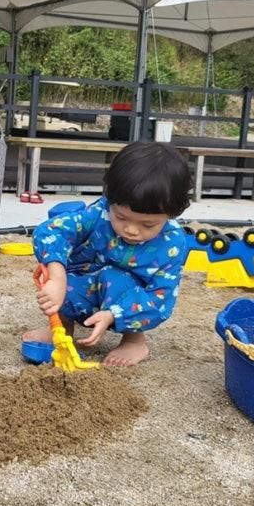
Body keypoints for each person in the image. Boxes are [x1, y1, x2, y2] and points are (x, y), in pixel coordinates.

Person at [28, 141, 191, 366]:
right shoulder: (99, 213)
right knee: (62, 282)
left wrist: (114, 314)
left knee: (116, 277)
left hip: (130, 299)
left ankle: (134, 341)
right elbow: (51, 231)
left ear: (172, 213)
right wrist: (57, 276)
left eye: (148, 224)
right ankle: (62, 328)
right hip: (86, 282)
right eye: (121, 217)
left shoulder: (172, 244)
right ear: (110, 200)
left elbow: (160, 298)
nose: (132, 230)